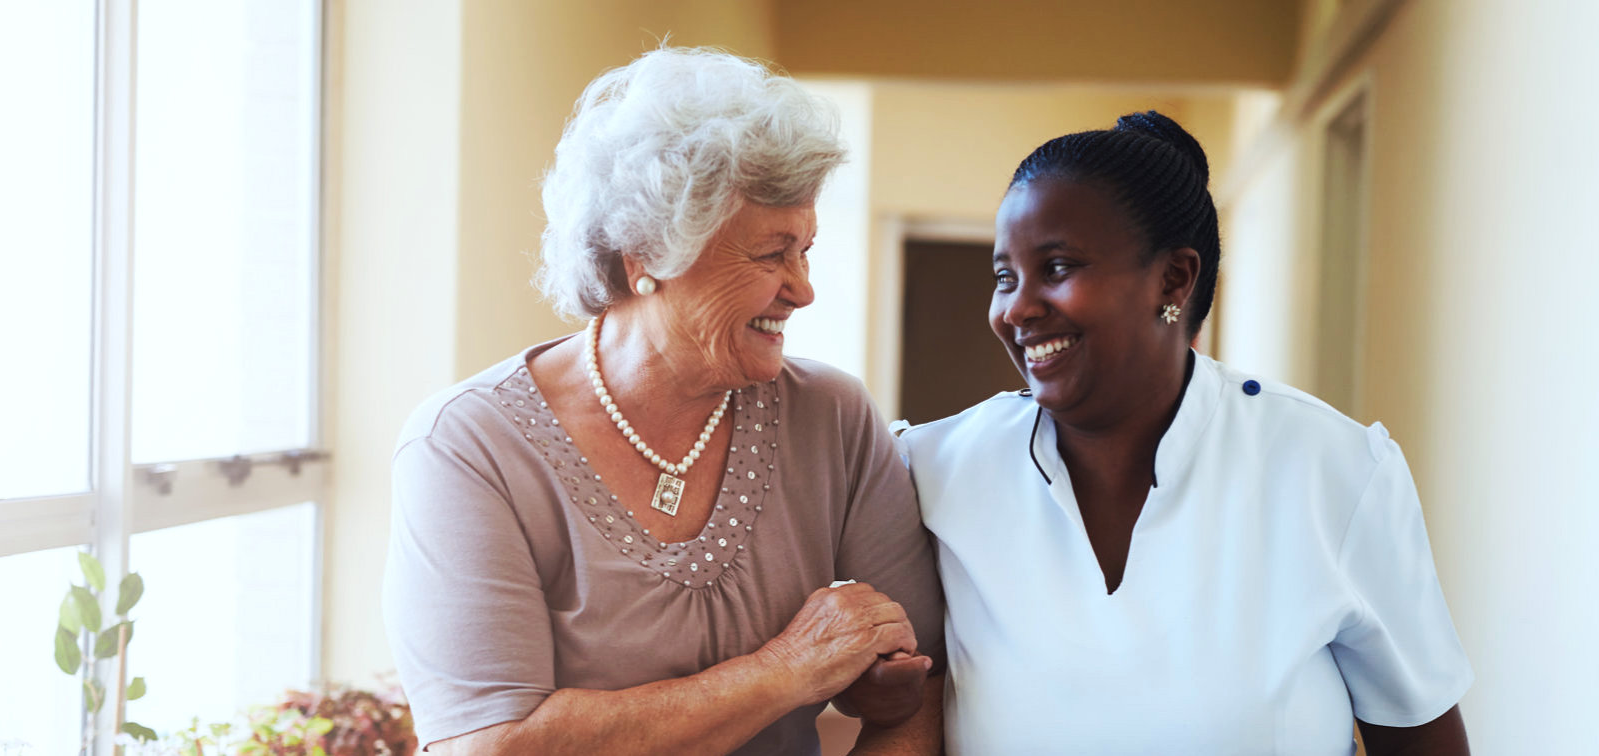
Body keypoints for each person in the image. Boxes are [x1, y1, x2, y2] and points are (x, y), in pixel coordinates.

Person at [383, 48, 945, 755]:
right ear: (644, 254)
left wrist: (881, 681)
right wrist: (788, 670)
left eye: (806, 250)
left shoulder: (832, 416)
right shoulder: (468, 445)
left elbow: (923, 686)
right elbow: (492, 744)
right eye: (770, 254)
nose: (802, 289)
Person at [898, 111, 1473, 755]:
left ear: (1174, 279)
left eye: (1056, 267)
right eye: (1005, 277)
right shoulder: (933, 472)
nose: (1017, 309)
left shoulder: (1329, 469)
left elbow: (1423, 740)